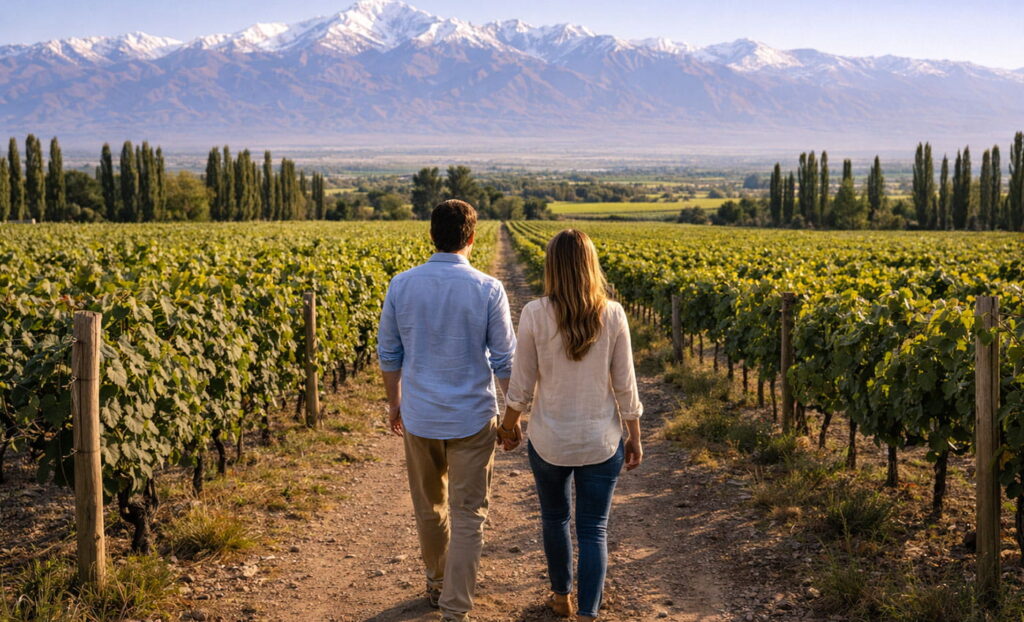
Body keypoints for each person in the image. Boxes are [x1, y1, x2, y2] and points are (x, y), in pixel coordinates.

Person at [377, 200, 516, 622]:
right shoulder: (488, 288)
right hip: (473, 418)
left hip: (420, 416)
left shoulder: (401, 285)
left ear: (431, 236)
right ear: (472, 239)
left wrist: (395, 402)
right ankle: (456, 607)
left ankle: (437, 583)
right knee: (469, 512)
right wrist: (513, 417)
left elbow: (388, 353)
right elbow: (505, 361)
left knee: (429, 507)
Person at [499, 229, 643, 622]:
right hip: (601, 441)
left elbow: (521, 386)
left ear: (552, 267)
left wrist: (508, 428)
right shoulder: (612, 313)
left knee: (554, 518)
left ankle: (561, 597)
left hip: (549, 440)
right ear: (590, 265)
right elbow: (625, 385)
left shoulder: (534, 313)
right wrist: (634, 437)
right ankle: (587, 612)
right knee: (594, 529)